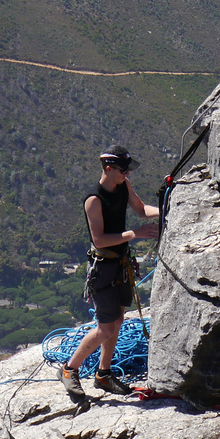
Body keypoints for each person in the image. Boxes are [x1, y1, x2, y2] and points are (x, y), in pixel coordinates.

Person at [59, 146, 159, 400]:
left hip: (120, 264)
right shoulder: (94, 200)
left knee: (117, 322)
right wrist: (133, 234)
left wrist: (168, 208)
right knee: (105, 328)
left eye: (128, 170)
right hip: (103, 268)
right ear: (108, 169)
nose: (127, 174)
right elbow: (100, 239)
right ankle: (69, 370)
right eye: (123, 170)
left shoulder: (123, 187)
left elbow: (141, 209)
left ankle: (103, 375)